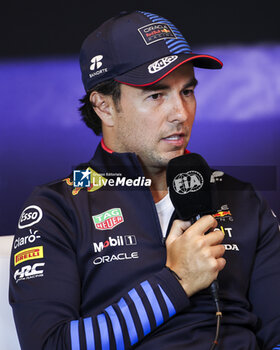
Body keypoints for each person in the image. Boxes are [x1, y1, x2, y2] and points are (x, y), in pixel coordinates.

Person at [9, 10, 280, 350]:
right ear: (104, 106)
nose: (181, 113)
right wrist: (176, 283)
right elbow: (48, 344)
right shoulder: (57, 208)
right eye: (156, 95)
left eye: (187, 91)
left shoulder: (240, 197)